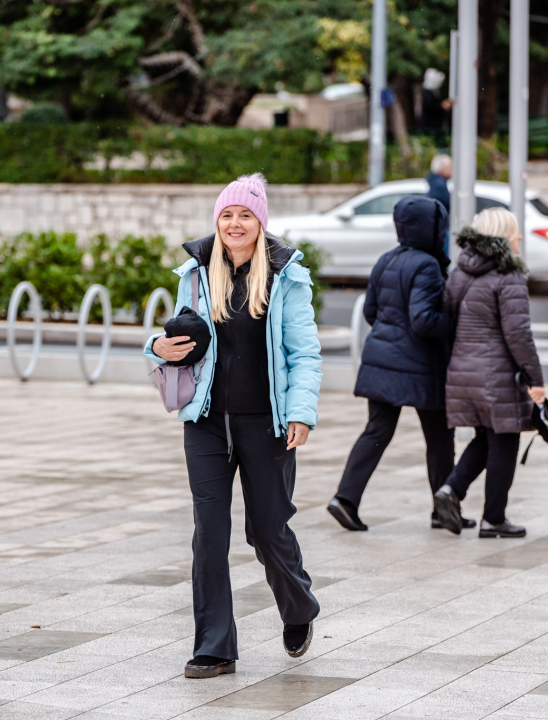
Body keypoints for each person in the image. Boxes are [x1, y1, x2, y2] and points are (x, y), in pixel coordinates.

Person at [144, 173, 323, 679]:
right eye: (227, 215)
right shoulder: (196, 273)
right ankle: (214, 646)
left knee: (266, 530)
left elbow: (304, 353)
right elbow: (175, 334)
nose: (235, 224)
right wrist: (156, 347)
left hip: (267, 424)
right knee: (209, 533)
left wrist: (301, 413)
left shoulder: (286, 276)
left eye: (245, 215)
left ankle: (298, 606)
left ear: (260, 222)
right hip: (205, 423)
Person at [327, 195, 464, 532]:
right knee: (440, 437)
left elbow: (371, 311)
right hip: (422, 367)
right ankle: (443, 509)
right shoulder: (427, 265)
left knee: (377, 431)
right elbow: (424, 321)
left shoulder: (386, 259)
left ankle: (345, 499)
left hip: (381, 360)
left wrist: (392, 334)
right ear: (431, 228)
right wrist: (455, 323)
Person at [432, 208, 546, 539]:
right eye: (514, 232)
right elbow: (519, 334)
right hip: (497, 376)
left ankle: (450, 489)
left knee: (486, 437)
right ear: (502, 237)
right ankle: (494, 519)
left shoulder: (459, 272)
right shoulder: (509, 276)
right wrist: (536, 379)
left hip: (463, 372)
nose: (519, 237)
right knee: (505, 440)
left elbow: (449, 317)